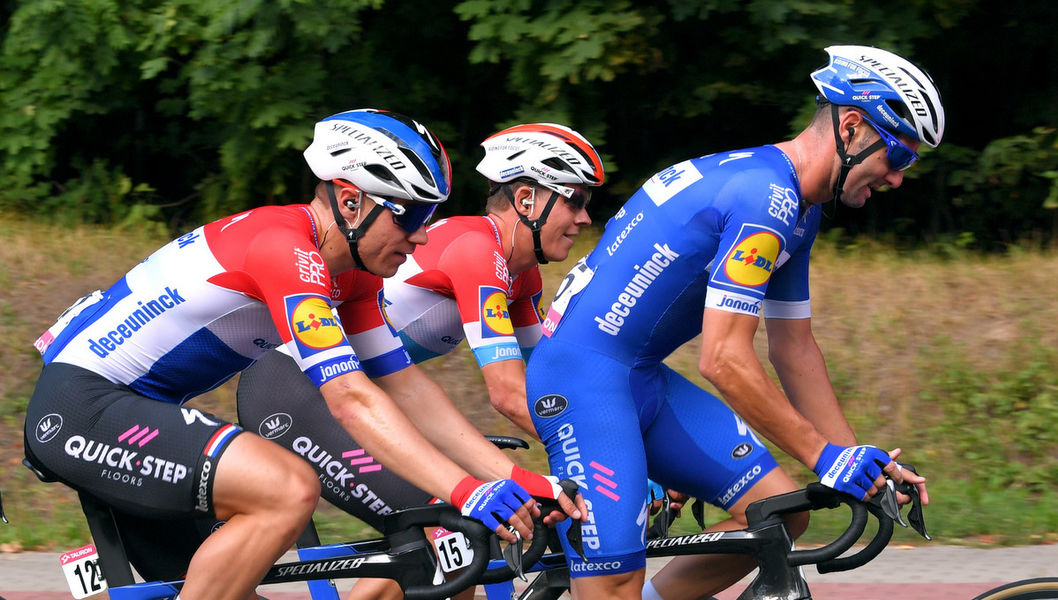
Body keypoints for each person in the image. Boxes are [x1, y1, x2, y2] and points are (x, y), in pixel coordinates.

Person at [24, 108, 577, 600]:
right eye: (409, 217)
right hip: (84, 405)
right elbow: (350, 399)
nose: (422, 239)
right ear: (351, 200)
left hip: (133, 407)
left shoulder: (352, 276)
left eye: (429, 217)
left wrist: (512, 477)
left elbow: (407, 388)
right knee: (286, 488)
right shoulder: (285, 248)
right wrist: (466, 488)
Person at [524, 45, 943, 600]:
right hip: (582, 381)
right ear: (852, 126)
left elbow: (794, 348)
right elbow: (723, 358)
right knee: (613, 584)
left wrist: (856, 464)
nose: (896, 178)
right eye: (897, 156)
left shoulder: (799, 207)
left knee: (774, 517)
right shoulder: (763, 200)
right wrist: (824, 456)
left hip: (639, 378)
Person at [235, 122, 603, 599]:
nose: (585, 218)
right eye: (574, 200)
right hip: (295, 391)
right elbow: (510, 394)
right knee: (450, 534)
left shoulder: (523, 276)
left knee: (458, 553)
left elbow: (546, 391)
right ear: (528, 201)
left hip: (366, 398)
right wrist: (606, 469)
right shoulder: (477, 250)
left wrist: (614, 457)